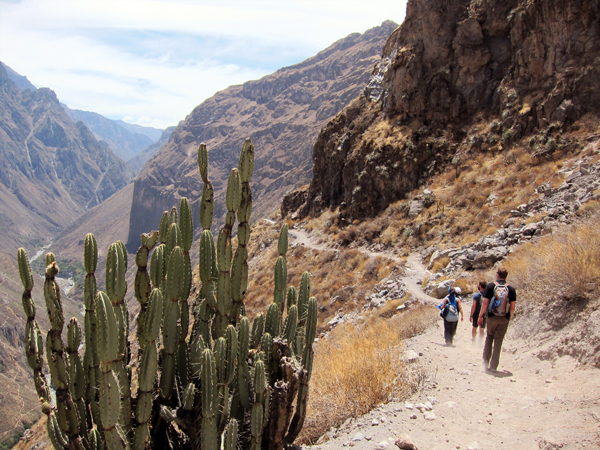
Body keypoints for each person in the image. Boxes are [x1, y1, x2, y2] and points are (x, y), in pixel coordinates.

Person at [478, 266, 517, 373]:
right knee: (498, 342)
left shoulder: (491, 286)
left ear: (497, 274)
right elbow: (512, 307)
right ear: (506, 276)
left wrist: (481, 316)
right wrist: (509, 317)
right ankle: (494, 367)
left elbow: (485, 303)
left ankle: (485, 363)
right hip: (504, 318)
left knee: (489, 337)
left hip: (491, 317)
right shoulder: (511, 289)